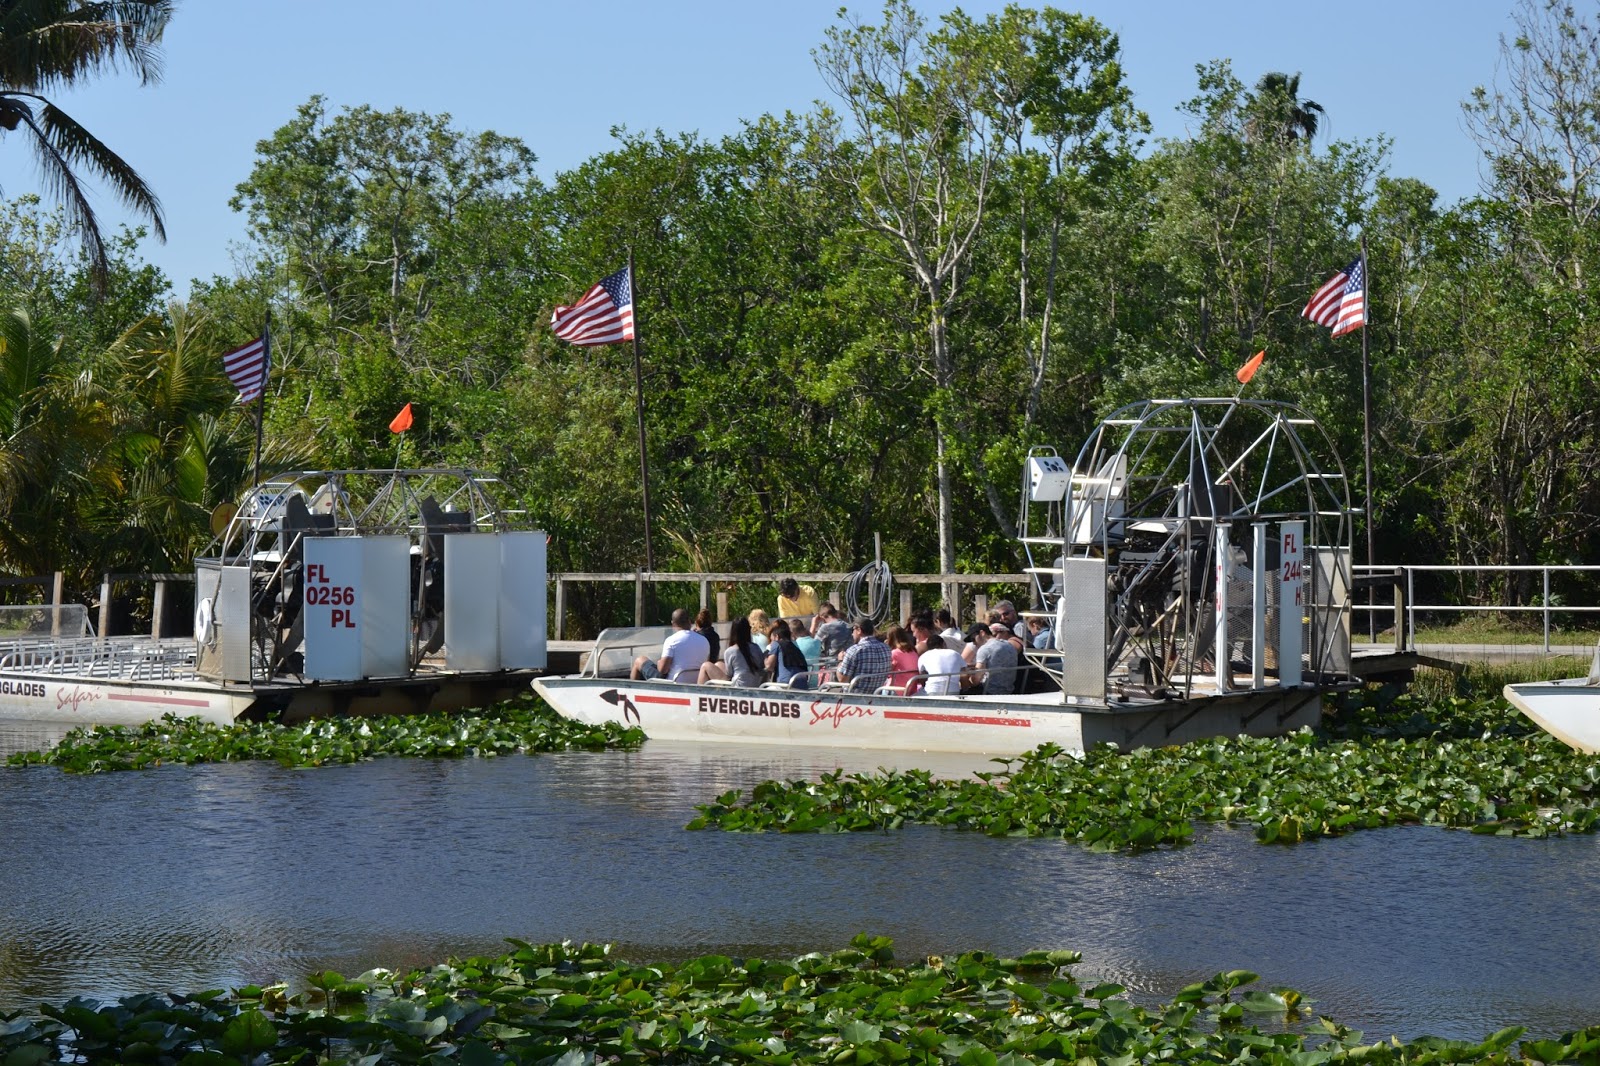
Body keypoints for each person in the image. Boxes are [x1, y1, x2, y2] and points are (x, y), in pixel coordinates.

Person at [631, 608, 710, 683]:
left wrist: (659, 663)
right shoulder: (704, 640)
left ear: (673, 623)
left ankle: (630, 691)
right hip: (697, 681)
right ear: (689, 622)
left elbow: (663, 670)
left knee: (639, 660)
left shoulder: (671, 640)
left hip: (673, 682)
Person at [701, 616, 765, 686]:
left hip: (737, 687)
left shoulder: (731, 651)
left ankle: (698, 693)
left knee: (706, 665)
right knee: (718, 664)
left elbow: (729, 674)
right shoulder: (756, 648)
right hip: (755, 684)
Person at [836, 618, 891, 693]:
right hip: (877, 694)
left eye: (853, 630)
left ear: (859, 630)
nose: (852, 634)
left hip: (854, 697)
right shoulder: (886, 648)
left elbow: (842, 680)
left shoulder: (854, 650)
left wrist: (841, 661)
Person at [976, 621, 1022, 695]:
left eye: (973, 639)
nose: (974, 643)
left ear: (982, 633)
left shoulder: (984, 649)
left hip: (988, 691)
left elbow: (976, 679)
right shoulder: (1010, 645)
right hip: (1009, 690)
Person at [765, 618, 812, 689]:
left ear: (776, 637)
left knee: (763, 690)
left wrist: (765, 658)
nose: (771, 642)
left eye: (771, 639)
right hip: (803, 686)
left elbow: (769, 666)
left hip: (786, 685)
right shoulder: (795, 647)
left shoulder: (776, 644)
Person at [884, 624, 920, 692]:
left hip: (897, 690)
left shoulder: (895, 653)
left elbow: (887, 672)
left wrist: (886, 647)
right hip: (911, 689)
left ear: (890, 638)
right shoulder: (913, 651)